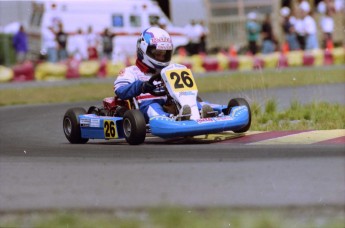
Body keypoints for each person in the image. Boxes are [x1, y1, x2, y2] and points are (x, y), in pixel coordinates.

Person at [113, 27, 213, 122]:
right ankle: (169, 119)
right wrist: (141, 86)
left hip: (170, 104)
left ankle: (203, 111)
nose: (161, 58)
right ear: (143, 50)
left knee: (191, 101)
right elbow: (120, 90)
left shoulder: (168, 70)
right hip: (145, 107)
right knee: (153, 107)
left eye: (164, 54)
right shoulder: (131, 71)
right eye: (157, 54)